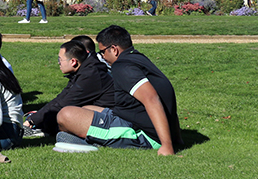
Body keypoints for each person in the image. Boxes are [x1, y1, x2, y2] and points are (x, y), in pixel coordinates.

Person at [55, 25, 180, 155]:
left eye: (102, 51)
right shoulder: (138, 58)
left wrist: (167, 145)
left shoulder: (122, 67)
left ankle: (93, 141)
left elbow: (152, 99)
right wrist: (177, 137)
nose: (102, 56)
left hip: (142, 134)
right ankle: (90, 137)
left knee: (65, 115)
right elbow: (168, 96)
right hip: (132, 119)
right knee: (87, 108)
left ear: (114, 49)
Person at [21, 37, 115, 138]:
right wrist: (35, 118)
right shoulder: (84, 71)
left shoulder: (90, 75)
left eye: (60, 59)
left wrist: (34, 120)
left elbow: (65, 103)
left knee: (66, 114)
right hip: (97, 115)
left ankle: (45, 130)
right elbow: (61, 97)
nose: (58, 63)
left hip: (108, 120)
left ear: (73, 61)